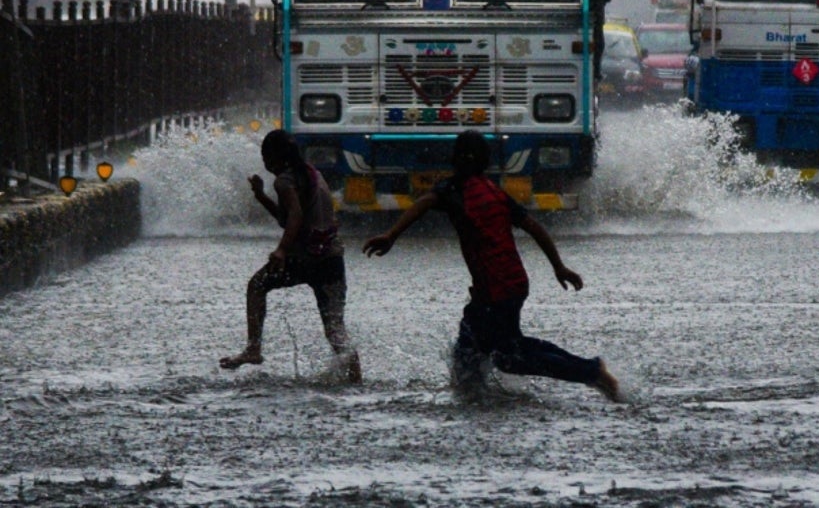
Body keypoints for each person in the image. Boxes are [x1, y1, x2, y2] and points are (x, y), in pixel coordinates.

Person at [362, 130, 622, 402]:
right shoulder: (493, 192)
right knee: (474, 345)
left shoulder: (454, 190)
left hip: (497, 288)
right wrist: (559, 267)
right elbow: (535, 228)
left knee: (509, 357)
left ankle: (591, 371)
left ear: (455, 159)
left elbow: (423, 203)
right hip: (510, 284)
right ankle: (473, 393)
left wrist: (391, 236)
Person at [220, 129, 362, 384]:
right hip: (330, 259)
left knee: (257, 285)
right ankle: (356, 380)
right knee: (335, 330)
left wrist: (282, 250)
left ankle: (254, 348)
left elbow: (294, 217)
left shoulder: (285, 181)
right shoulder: (312, 175)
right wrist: (261, 196)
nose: (263, 162)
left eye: (264, 156)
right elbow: (287, 219)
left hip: (303, 259)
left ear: (273, 158)